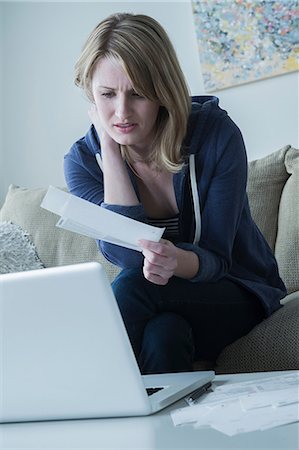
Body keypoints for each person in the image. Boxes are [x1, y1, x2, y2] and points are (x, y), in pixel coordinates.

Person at [64, 12, 287, 374]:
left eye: (137, 94)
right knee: (163, 335)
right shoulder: (84, 161)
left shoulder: (215, 135)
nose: (121, 112)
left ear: (162, 92)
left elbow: (217, 258)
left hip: (236, 291)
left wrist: (175, 260)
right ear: (90, 95)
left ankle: (82, 391)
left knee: (134, 287)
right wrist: (109, 148)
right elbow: (125, 254)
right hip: (161, 308)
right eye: (106, 94)